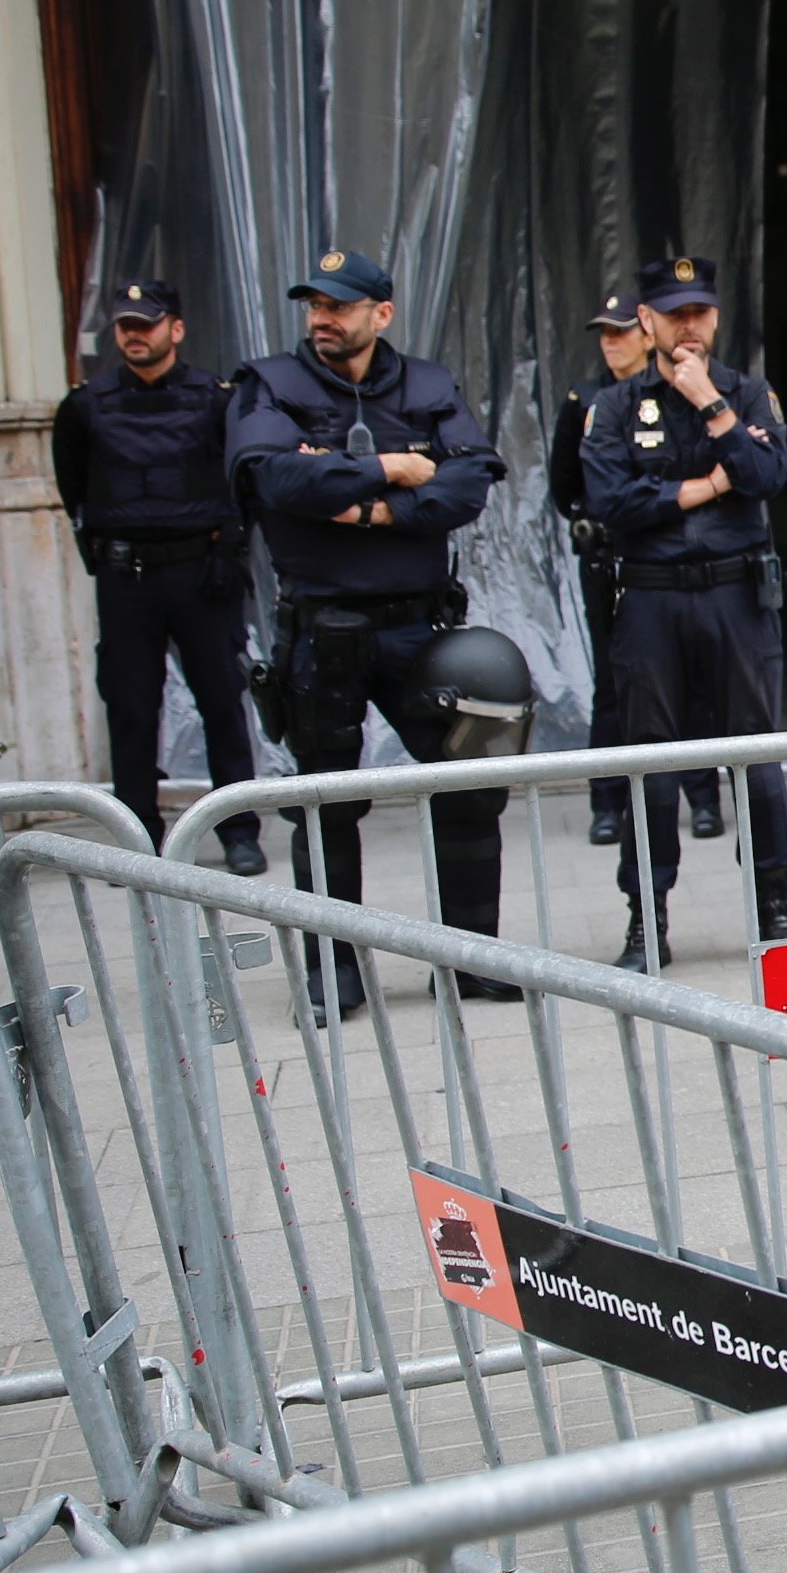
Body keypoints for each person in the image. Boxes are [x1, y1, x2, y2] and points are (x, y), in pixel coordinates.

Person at [225, 248, 517, 1019]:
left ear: (379, 314)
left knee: (468, 788)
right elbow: (274, 478)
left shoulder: (427, 383)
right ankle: (334, 971)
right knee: (327, 806)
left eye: (340, 306)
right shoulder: (271, 385)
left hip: (419, 626)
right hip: (323, 631)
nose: (323, 319)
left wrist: (369, 506)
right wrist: (396, 465)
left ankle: (469, 957)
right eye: (314, 306)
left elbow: (472, 478)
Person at [579, 252, 787, 968]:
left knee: (756, 755)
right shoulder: (614, 408)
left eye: (700, 311)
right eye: (674, 314)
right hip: (650, 597)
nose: (689, 326)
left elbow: (766, 476)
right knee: (653, 762)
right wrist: (704, 488)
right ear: (647, 322)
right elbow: (611, 502)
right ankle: (648, 915)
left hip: (738, 595)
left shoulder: (746, 392)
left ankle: (775, 901)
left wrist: (711, 404)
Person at [51, 276, 265, 875]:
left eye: (146, 324)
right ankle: (140, 837)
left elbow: (244, 481)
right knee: (131, 708)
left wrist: (230, 548)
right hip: (127, 578)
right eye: (125, 325)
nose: (134, 335)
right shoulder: (85, 405)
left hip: (202, 573)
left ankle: (239, 831)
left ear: (176, 328)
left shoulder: (217, 398)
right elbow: (75, 489)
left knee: (222, 702)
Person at [554, 291, 718, 850]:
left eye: (621, 331)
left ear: (648, 335)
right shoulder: (588, 399)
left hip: (665, 556)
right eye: (603, 332)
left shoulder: (677, 389)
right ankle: (608, 802)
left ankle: (702, 796)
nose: (609, 342)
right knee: (615, 685)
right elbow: (566, 487)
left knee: (693, 680)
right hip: (610, 558)